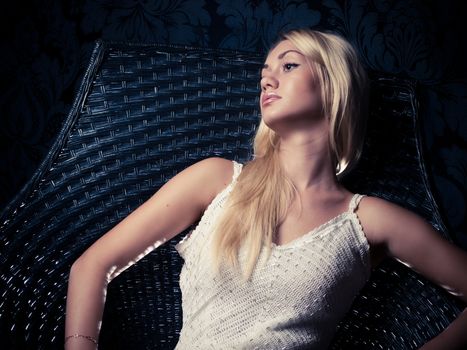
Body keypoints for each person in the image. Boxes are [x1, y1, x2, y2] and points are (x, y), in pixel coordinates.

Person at [65, 29, 467, 349]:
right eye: (265, 72)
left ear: (333, 85)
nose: (267, 78)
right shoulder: (216, 179)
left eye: (289, 65)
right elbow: (92, 265)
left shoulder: (367, 220)